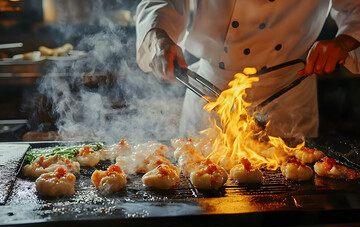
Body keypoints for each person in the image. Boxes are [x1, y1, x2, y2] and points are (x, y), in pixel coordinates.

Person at [135, 0, 360, 139]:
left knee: (289, 205)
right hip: (210, 91)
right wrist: (156, 34)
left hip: (289, 93)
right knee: (200, 202)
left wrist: (345, 41)